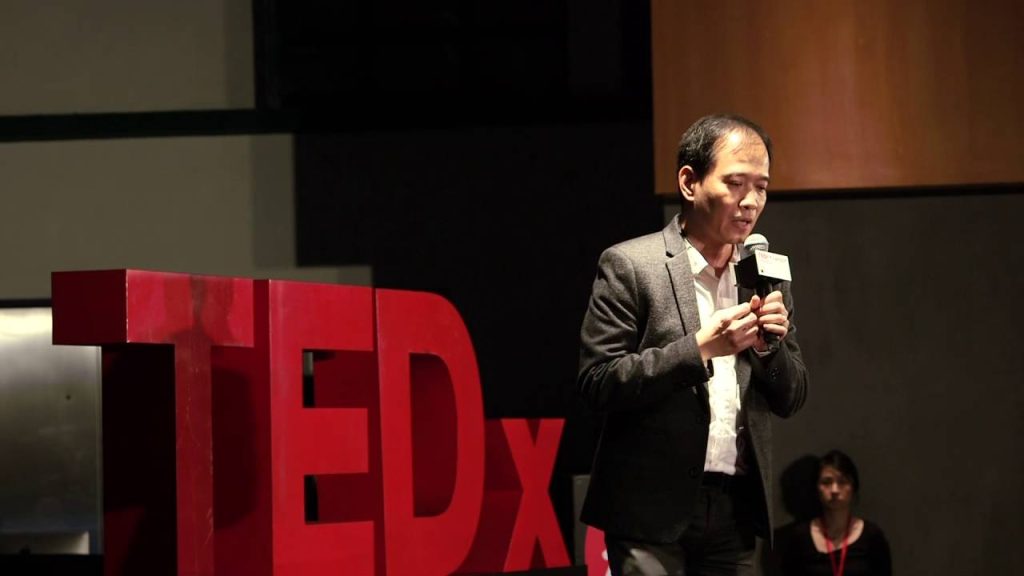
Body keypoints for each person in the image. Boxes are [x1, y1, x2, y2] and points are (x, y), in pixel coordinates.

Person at [577, 113, 809, 575]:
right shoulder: (631, 265)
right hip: (649, 511)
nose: (750, 202)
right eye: (735, 184)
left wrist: (770, 348)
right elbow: (598, 383)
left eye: (761, 187)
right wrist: (698, 349)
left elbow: (792, 397)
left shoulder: (764, 275)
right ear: (689, 182)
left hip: (734, 511)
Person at [771, 450, 892, 576]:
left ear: (853, 488)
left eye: (842, 481)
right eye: (826, 482)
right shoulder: (801, 537)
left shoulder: (872, 536)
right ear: (816, 488)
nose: (834, 490)